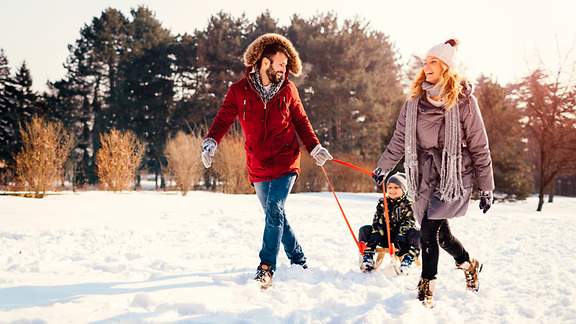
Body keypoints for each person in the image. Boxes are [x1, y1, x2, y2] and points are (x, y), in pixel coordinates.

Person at [201, 33, 333, 288]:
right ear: (264, 62)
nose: (284, 70)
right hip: (258, 164)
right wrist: (211, 141)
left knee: (274, 209)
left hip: (286, 161)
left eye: (286, 65)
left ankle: (266, 267)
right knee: (277, 214)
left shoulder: (288, 90)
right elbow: (223, 119)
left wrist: (314, 147)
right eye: (280, 64)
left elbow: (301, 121)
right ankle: (298, 258)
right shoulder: (238, 91)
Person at [373, 39, 494, 307]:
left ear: (446, 67)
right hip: (424, 175)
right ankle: (468, 264)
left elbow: (478, 145)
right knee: (442, 235)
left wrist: (486, 186)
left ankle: (427, 285)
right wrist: (383, 166)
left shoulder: (464, 102)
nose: (426, 66)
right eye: (425, 62)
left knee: (428, 230)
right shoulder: (413, 103)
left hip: (453, 176)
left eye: (432, 62)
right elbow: (398, 140)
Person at [358, 172, 421, 274]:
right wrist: (375, 236)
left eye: (396, 187)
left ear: (403, 189)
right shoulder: (383, 203)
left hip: (402, 240)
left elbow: (408, 223)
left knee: (417, 233)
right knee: (365, 229)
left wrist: (399, 240)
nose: (392, 190)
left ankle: (408, 260)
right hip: (384, 236)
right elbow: (377, 222)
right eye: (390, 187)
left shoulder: (409, 204)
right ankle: (368, 255)